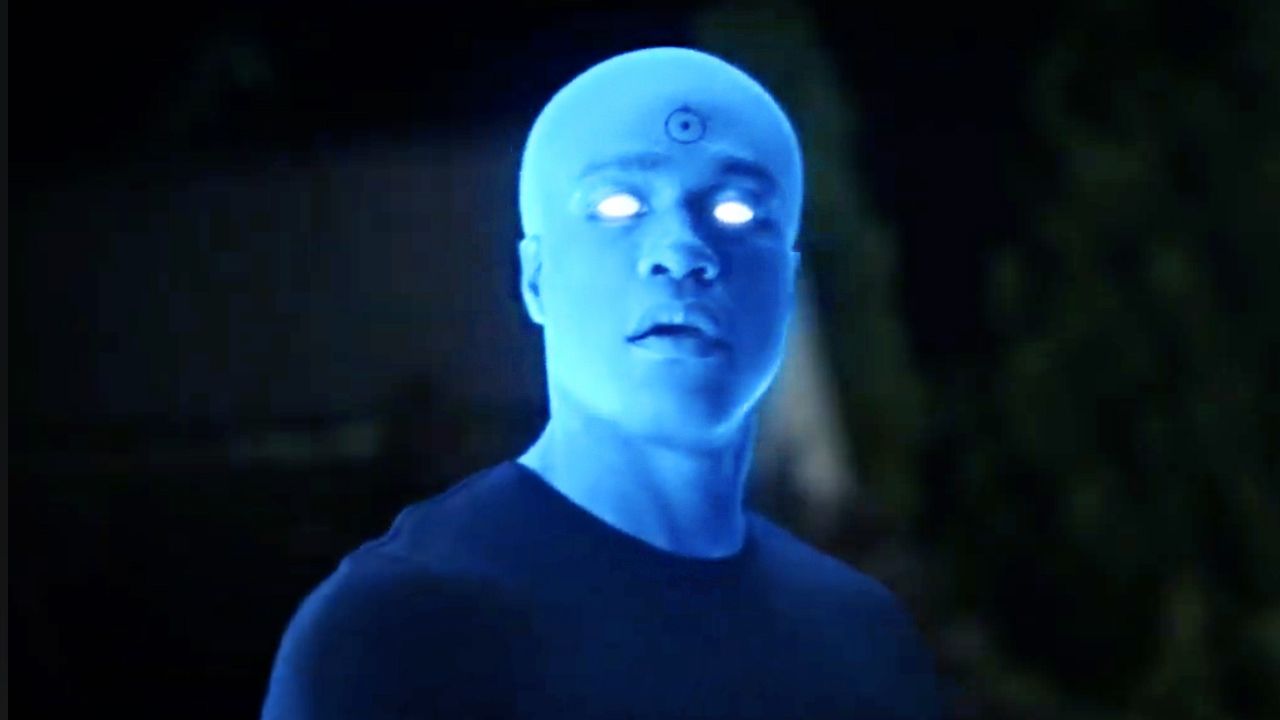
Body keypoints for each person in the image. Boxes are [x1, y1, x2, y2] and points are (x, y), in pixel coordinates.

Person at [261, 46, 943, 719]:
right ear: (535, 277)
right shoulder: (396, 636)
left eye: (737, 211)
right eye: (619, 205)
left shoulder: (864, 638)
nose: (683, 251)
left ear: (787, 286)